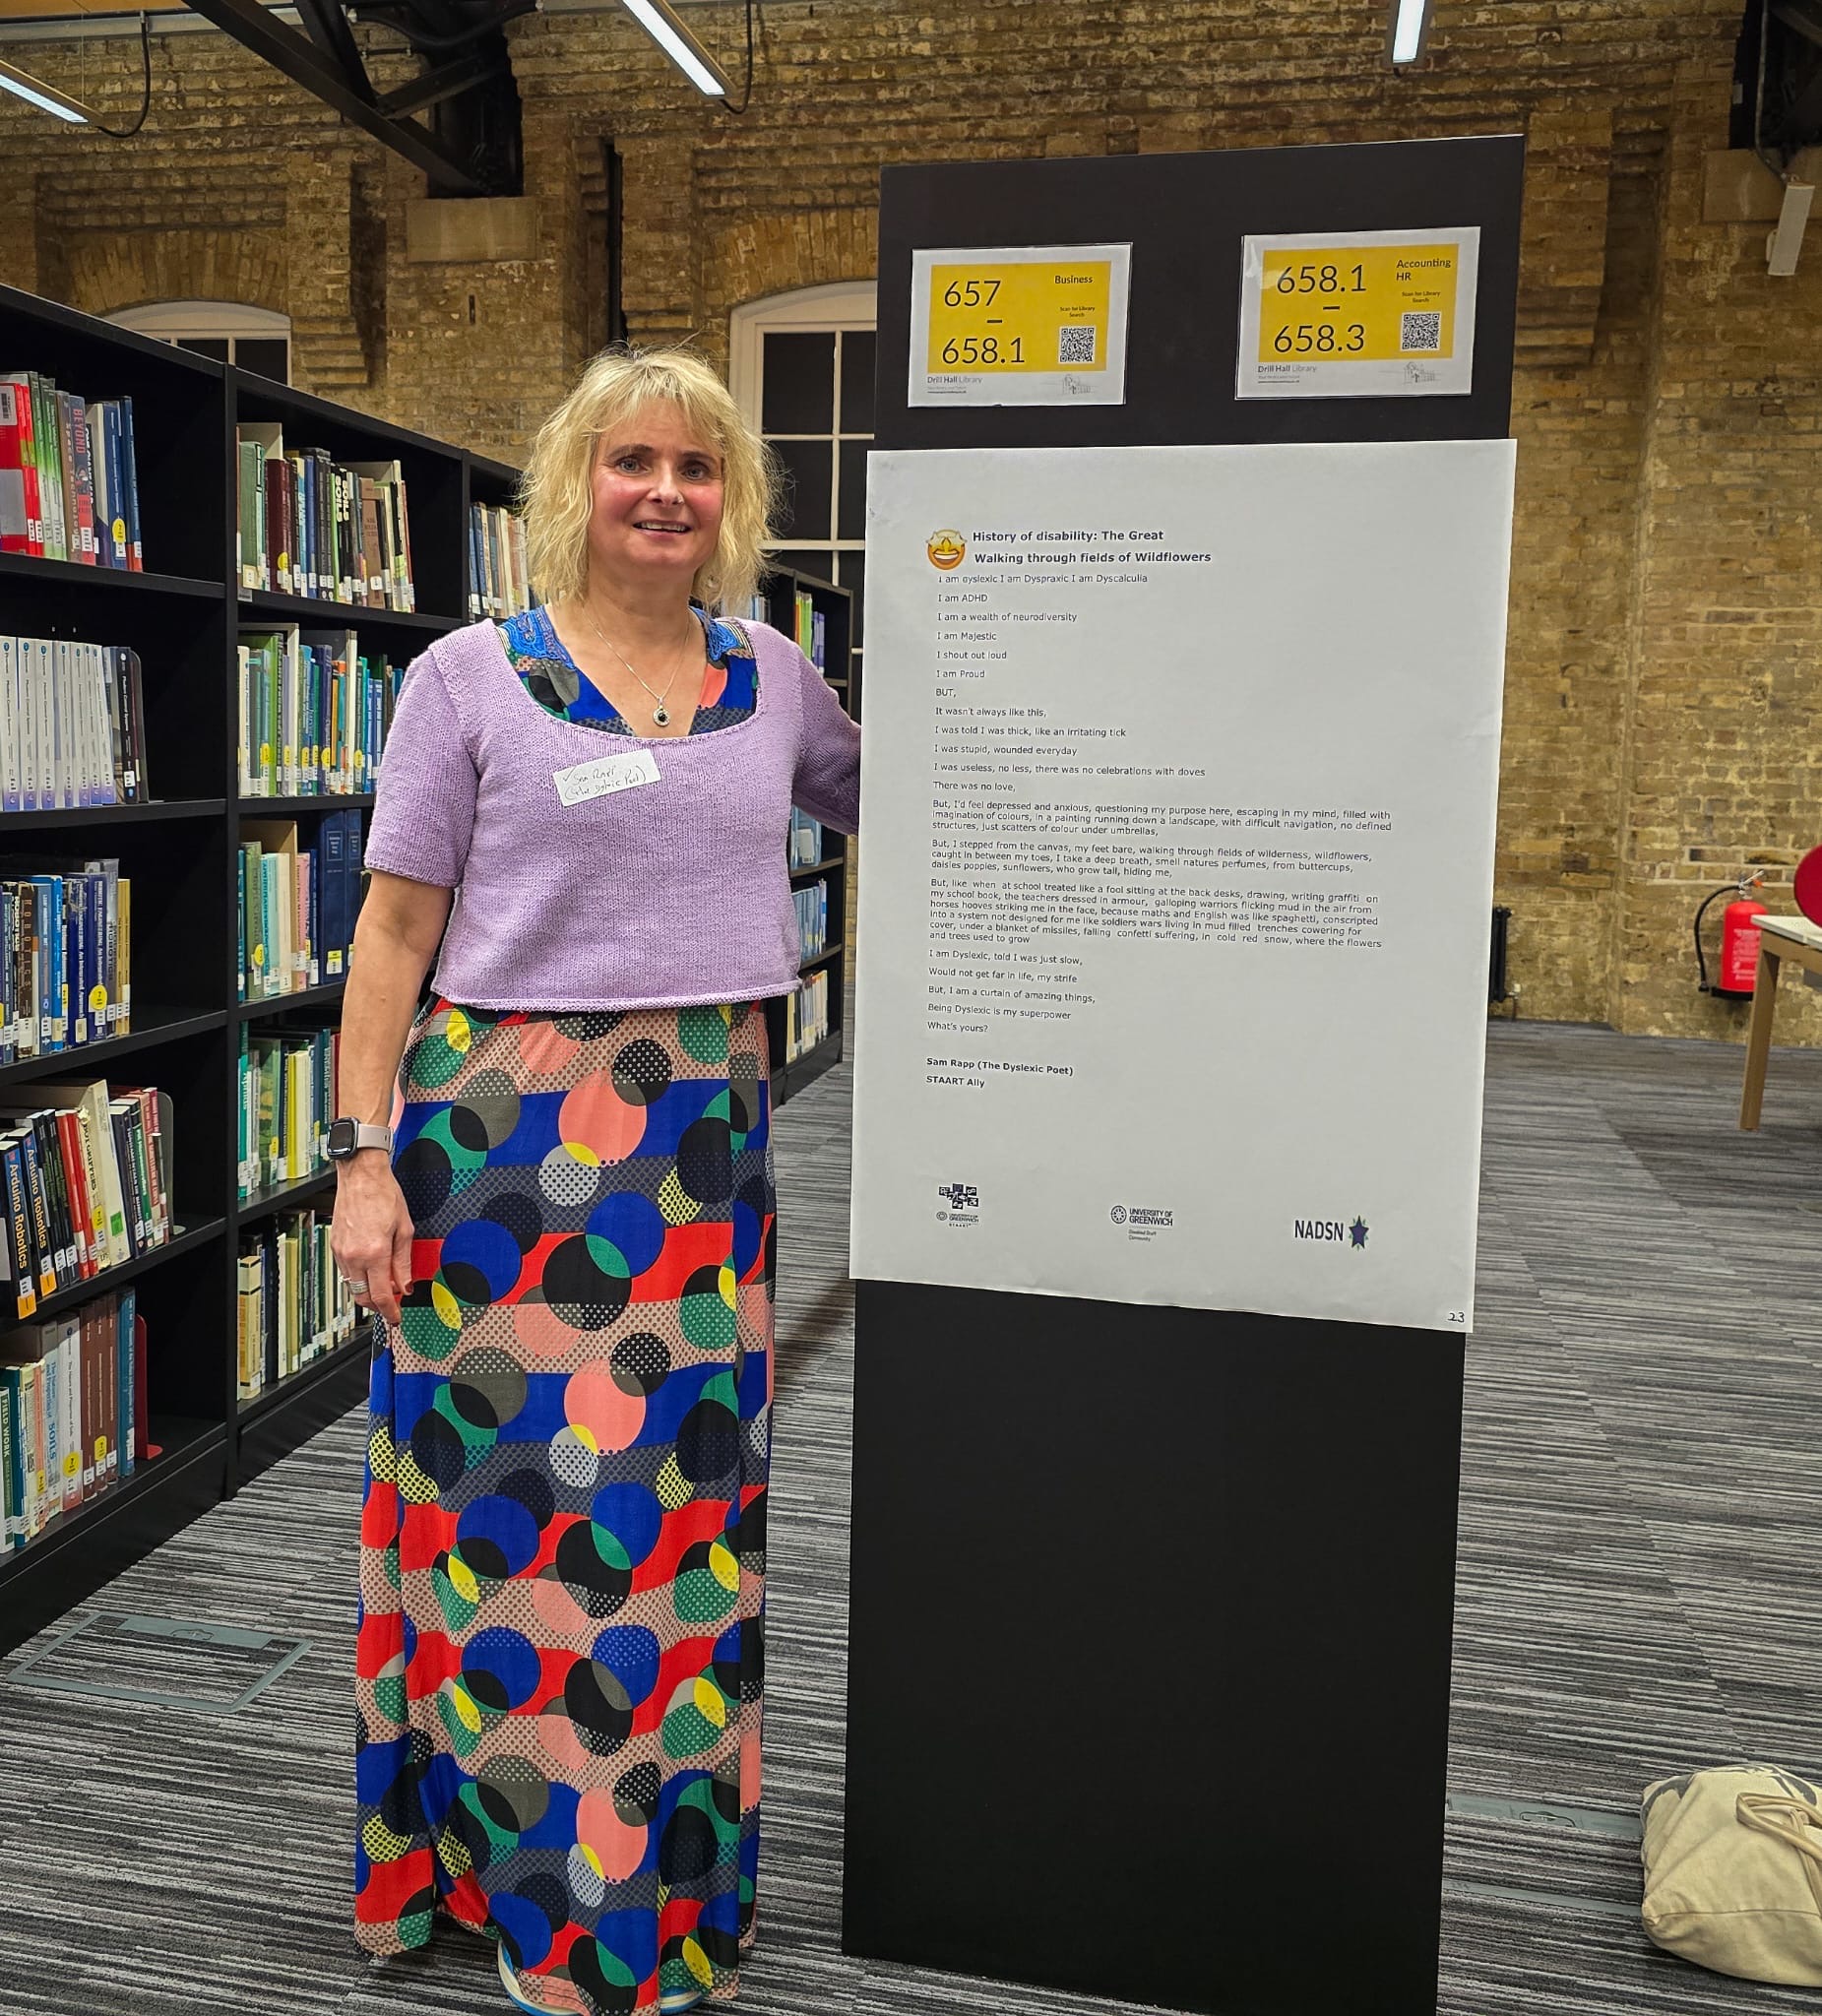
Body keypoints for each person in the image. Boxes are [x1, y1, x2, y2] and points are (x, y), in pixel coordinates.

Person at [335, 344, 860, 2016]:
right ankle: (529, 1900)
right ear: (571, 482)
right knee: (509, 1533)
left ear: (734, 499)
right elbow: (393, 932)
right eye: (630, 461)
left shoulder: (773, 678)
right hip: (498, 1152)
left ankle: (658, 1895)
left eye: (696, 469)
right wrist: (360, 1162)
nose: (663, 493)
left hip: (702, 1155)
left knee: (671, 1524)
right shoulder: (469, 680)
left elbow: (921, 799)